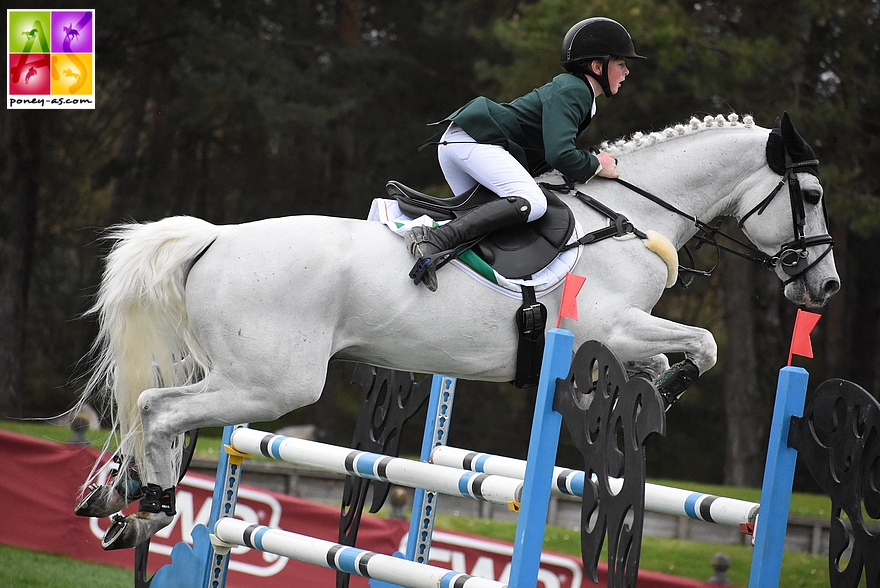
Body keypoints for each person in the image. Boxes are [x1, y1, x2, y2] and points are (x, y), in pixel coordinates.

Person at [406, 17, 645, 291]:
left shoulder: (578, 94)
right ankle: (432, 238)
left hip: (462, 143)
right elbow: (560, 154)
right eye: (621, 64)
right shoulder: (576, 90)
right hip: (475, 141)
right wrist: (596, 164)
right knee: (533, 201)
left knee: (491, 225)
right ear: (597, 66)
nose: (627, 72)